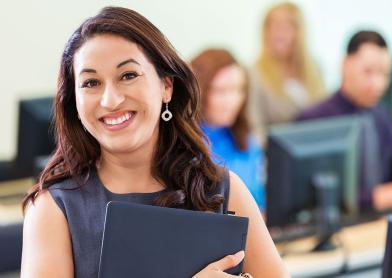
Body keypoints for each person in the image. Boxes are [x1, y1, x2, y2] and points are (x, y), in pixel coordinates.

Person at [20, 7, 288, 278]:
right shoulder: (53, 208)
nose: (110, 100)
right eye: (91, 83)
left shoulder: (221, 188)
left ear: (166, 86)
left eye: (128, 76)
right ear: (74, 103)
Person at [296, 30, 392, 211]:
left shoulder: (383, 117)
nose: (377, 83)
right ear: (345, 65)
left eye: (384, 74)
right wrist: (371, 198)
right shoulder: (313, 120)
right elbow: (308, 195)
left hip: (380, 221)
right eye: (368, 72)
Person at [191, 49, 266, 212]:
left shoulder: (247, 141)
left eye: (239, 90)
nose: (232, 101)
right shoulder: (185, 145)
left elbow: (261, 203)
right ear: (199, 91)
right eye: (221, 91)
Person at [249, 2, 325, 139]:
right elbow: (255, 128)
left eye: (288, 25)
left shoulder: (315, 68)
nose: (279, 32)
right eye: (273, 25)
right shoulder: (254, 74)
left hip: (316, 149)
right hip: (277, 155)